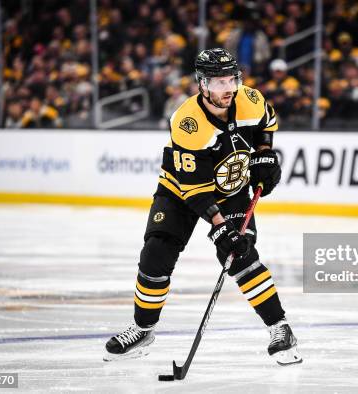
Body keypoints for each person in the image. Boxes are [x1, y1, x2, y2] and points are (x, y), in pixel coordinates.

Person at [104, 48, 302, 366]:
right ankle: (142, 329)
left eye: (231, 79)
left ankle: (280, 329)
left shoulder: (249, 98)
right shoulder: (187, 123)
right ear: (202, 84)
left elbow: (267, 122)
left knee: (239, 255)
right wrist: (219, 225)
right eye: (219, 81)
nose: (228, 88)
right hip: (180, 190)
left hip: (231, 187)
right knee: (156, 252)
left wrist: (265, 152)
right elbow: (195, 189)